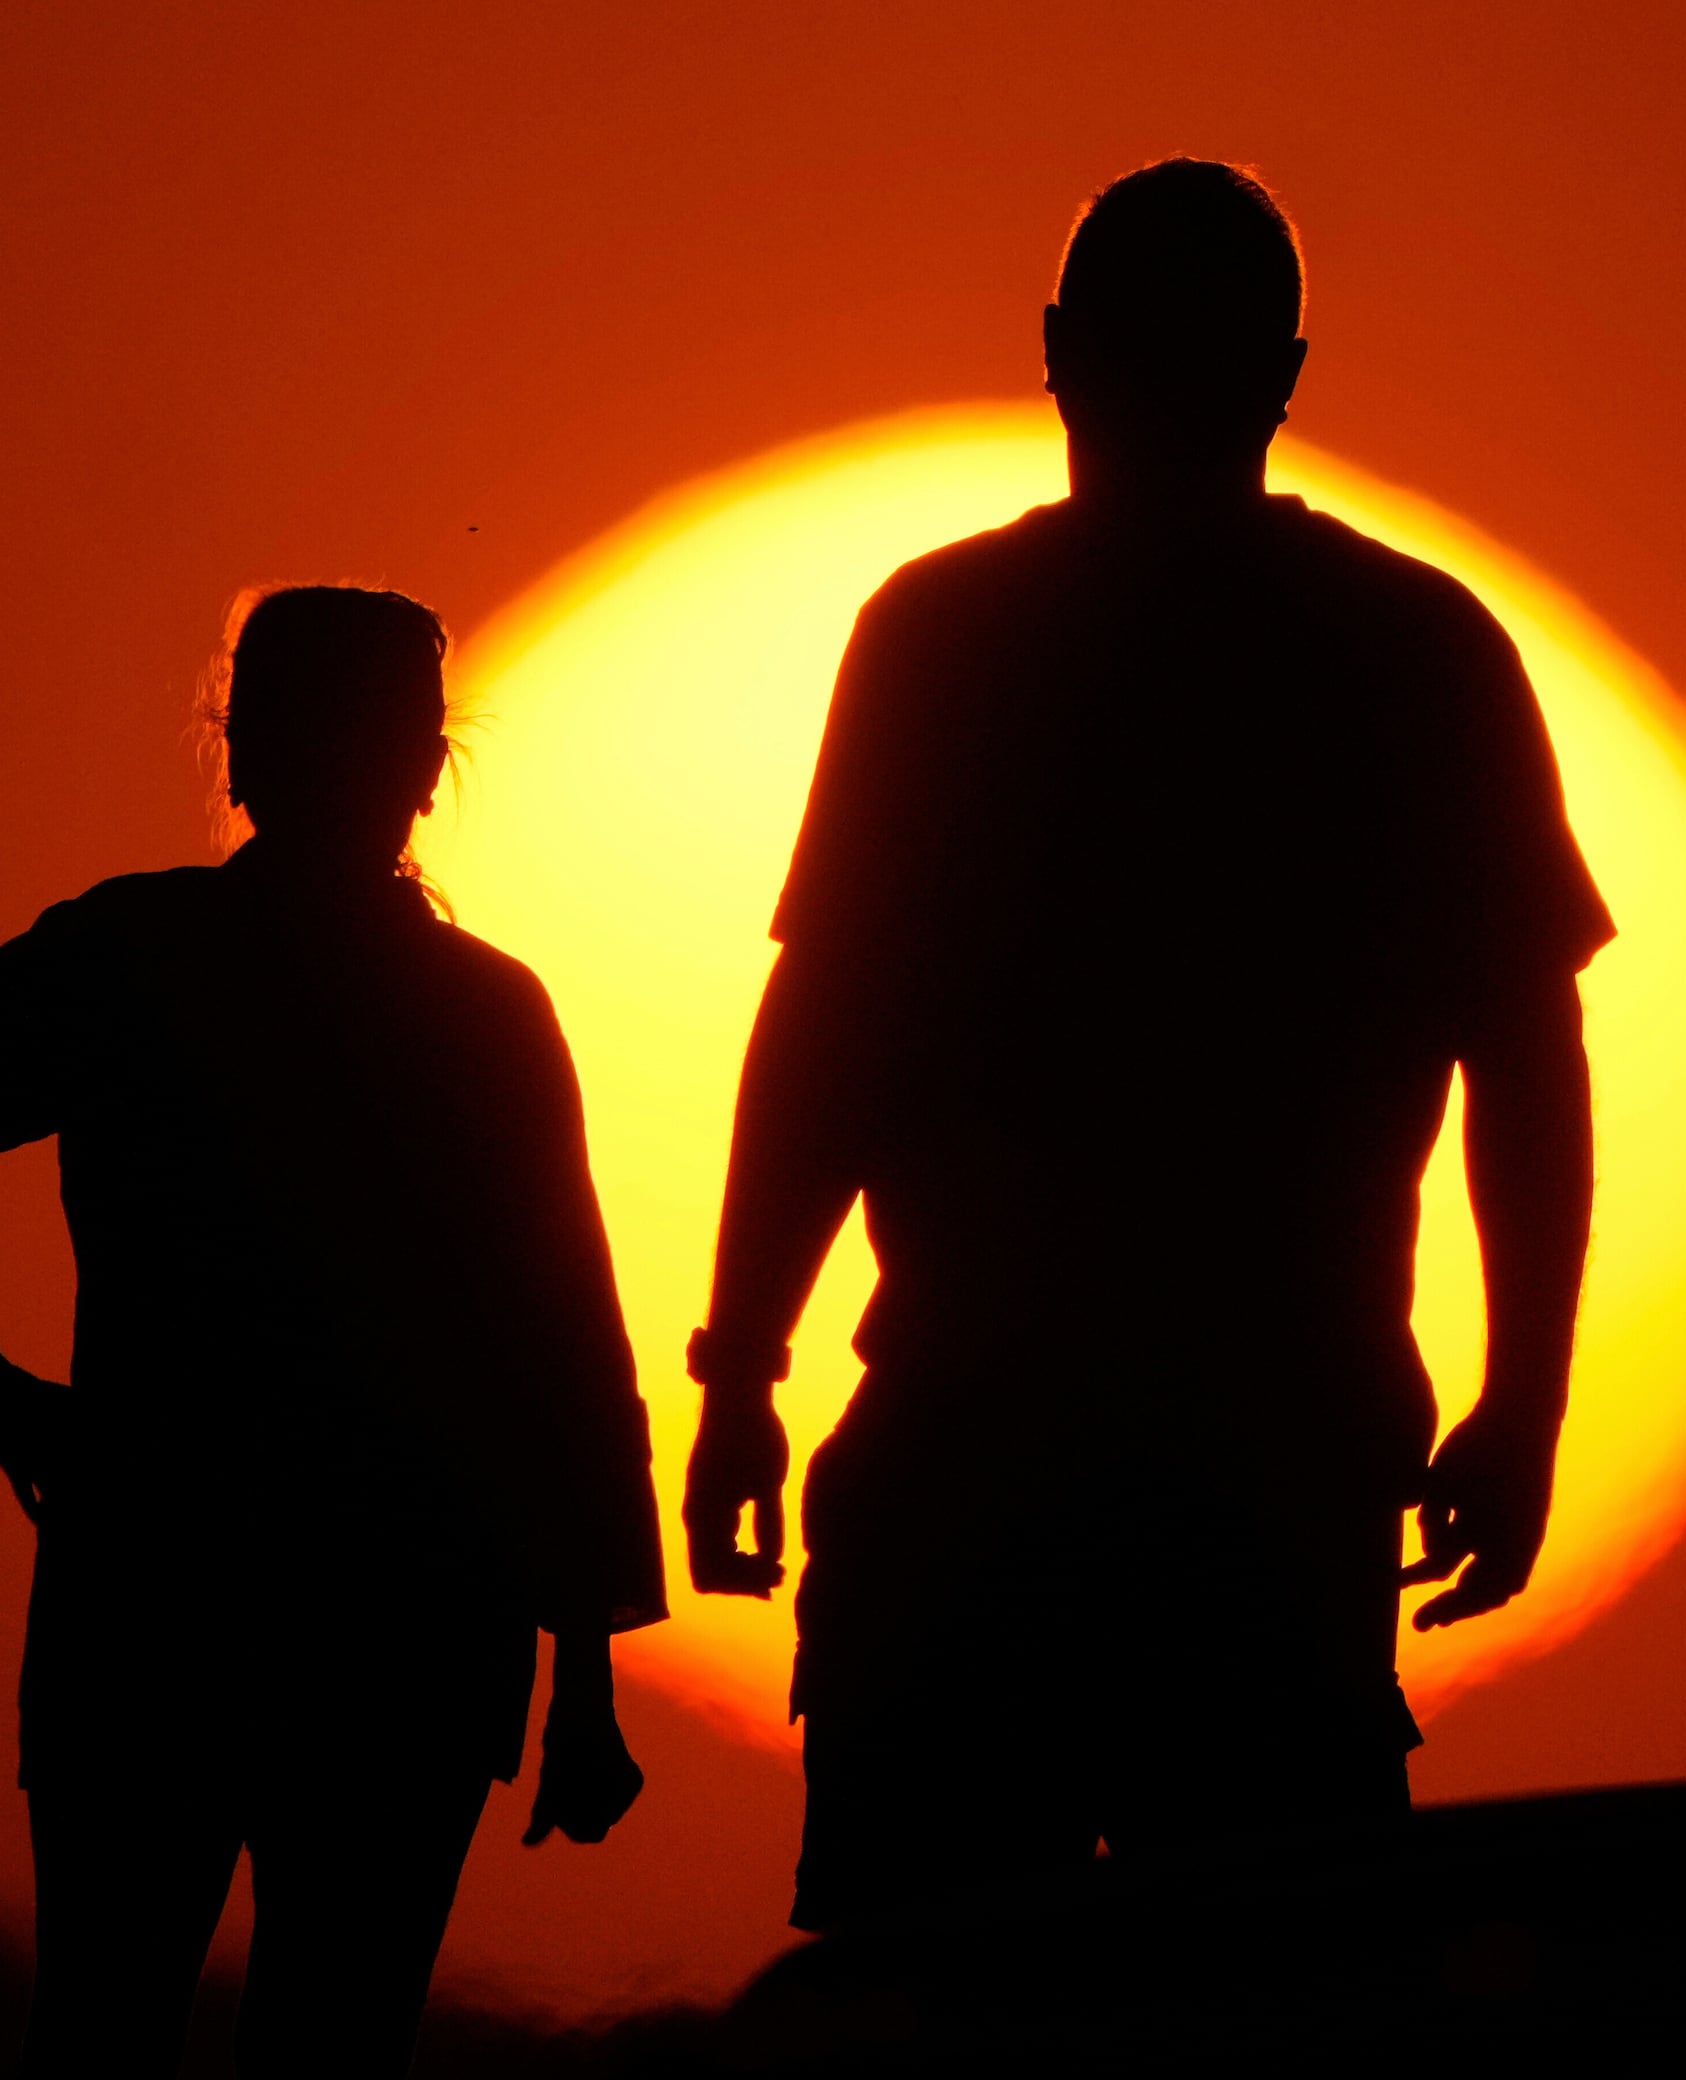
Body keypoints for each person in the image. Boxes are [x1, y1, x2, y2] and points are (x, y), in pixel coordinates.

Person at [677, 159, 1614, 1930]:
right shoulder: (1416, 645)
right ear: (1289, 369)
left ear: (1054, 353)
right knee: (1259, 1990)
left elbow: (827, 1028)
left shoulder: (944, 638)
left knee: (927, 2004)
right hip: (1263, 1464)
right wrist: (1523, 1400)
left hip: (991, 1448)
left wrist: (744, 1368)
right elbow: (1529, 1060)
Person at [0, 586, 664, 2075]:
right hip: (388, 1632)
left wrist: (1, 1406)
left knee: (106, 2053)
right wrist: (583, 1678)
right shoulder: (455, 1013)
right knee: (316, 2066)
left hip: (170, 1604)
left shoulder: (140, 965)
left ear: (241, 757)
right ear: (427, 766)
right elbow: (567, 1359)